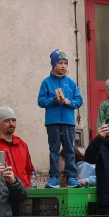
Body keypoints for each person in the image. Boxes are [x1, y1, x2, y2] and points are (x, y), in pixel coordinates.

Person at [37, 48, 84, 188]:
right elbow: (41, 101)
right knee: (54, 150)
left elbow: (79, 100)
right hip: (52, 122)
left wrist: (70, 103)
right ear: (53, 64)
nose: (63, 66)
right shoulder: (46, 82)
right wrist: (53, 101)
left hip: (69, 122)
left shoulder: (70, 83)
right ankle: (54, 178)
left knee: (70, 150)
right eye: (60, 63)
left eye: (65, 63)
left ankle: (72, 178)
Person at [0, 106, 36, 188]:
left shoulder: (22, 145)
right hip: (3, 194)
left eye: (13, 120)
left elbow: (30, 170)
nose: (11, 124)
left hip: (24, 193)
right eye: (7, 120)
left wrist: (28, 187)